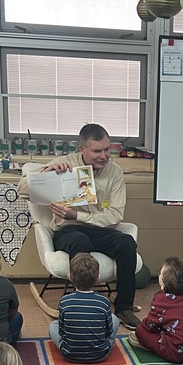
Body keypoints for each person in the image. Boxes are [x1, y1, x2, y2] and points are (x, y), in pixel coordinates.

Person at [19, 123, 140, 329]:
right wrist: (47, 172)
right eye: (97, 151)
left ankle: (124, 307)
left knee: (127, 242)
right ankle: (82, 305)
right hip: (69, 230)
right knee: (79, 240)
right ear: (81, 149)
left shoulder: (115, 173)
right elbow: (22, 189)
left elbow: (115, 215)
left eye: (107, 150)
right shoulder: (65, 163)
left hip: (101, 230)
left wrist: (78, 214)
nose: (104, 156)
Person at [128, 255, 183, 362]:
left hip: (179, 352)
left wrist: (143, 331)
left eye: (159, 274)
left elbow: (149, 326)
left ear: (163, 286)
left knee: (140, 331)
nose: (159, 275)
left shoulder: (161, 301)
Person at [49, 253, 119, 363]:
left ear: (71, 277)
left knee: (53, 326)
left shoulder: (64, 301)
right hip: (100, 354)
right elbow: (108, 331)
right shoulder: (104, 301)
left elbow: (62, 332)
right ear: (98, 278)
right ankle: (109, 344)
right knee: (114, 318)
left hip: (70, 354)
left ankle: (71, 347)